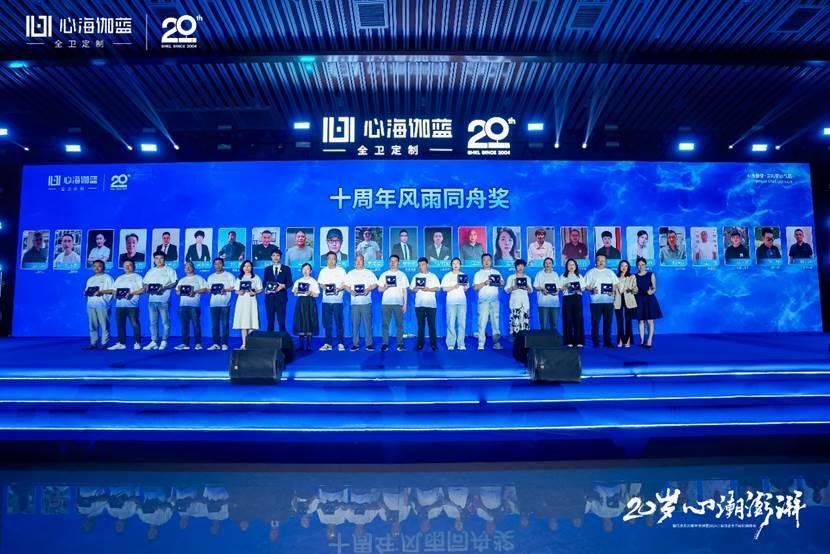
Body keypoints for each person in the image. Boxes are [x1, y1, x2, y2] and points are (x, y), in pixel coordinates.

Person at [142, 252, 178, 350]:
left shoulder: (170, 270)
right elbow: (145, 283)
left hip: (164, 300)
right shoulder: (151, 271)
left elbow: (175, 283)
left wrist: (164, 287)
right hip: (152, 300)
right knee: (152, 322)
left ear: (164, 259)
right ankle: (154, 341)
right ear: (154, 259)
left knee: (165, 322)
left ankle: (164, 341)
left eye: (161, 258)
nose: (159, 260)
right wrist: (146, 287)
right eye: (156, 258)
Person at [107, 260, 145, 350]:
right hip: (119, 305)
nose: (127, 267)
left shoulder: (138, 277)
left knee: (135, 324)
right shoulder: (119, 278)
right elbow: (114, 290)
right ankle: (121, 343)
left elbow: (142, 290)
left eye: (129, 265)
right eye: (125, 265)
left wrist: (132, 293)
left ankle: (137, 342)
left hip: (132, 306)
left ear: (134, 266)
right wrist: (116, 294)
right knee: (120, 325)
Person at [585, 254, 619, 348]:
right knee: (595, 323)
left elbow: (615, 284)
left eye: (603, 260)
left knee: (608, 322)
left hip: (608, 301)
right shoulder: (591, 272)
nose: (601, 262)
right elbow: (585, 285)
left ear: (605, 262)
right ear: (596, 261)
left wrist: (613, 290)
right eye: (599, 260)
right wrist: (591, 289)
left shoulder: (610, 272)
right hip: (595, 301)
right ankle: (595, 341)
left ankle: (607, 342)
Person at [346, 254, 378, 351]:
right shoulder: (350, 273)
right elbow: (346, 286)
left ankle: (369, 344)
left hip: (366, 302)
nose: (358, 262)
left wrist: (368, 289)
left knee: (368, 324)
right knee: (355, 325)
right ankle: (355, 344)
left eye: (360, 260)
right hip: (355, 303)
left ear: (363, 261)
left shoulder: (369, 273)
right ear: (354, 262)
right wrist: (350, 291)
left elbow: (375, 284)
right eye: (357, 260)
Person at [377, 255, 409, 352]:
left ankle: (400, 344)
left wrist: (405, 305)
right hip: (386, 303)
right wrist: (385, 287)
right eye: (391, 261)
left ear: (398, 262)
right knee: (385, 324)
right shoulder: (384, 275)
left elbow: (405, 291)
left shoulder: (402, 275)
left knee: (399, 325)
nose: (393, 263)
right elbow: (379, 289)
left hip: (398, 303)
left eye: (395, 261)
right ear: (389, 262)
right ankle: (385, 343)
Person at [318, 251, 348, 351]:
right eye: (329, 258)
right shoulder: (323, 271)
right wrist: (325, 288)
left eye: (333, 259)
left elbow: (345, 284)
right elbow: (321, 284)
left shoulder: (341, 270)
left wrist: (339, 288)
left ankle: (341, 343)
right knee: (327, 323)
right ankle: (328, 343)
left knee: (339, 323)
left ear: (336, 260)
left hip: (337, 301)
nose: (331, 260)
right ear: (327, 260)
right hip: (326, 301)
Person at [174, 262, 208, 350]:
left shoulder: (199, 278)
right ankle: (184, 343)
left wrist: (195, 291)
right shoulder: (182, 280)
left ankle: (198, 343)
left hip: (194, 306)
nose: (188, 268)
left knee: (196, 325)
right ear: (184, 269)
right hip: (183, 306)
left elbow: (205, 289)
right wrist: (179, 292)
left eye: (190, 266)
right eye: (186, 267)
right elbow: (177, 292)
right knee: (184, 325)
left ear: (193, 268)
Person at [473, 253, 504, 350]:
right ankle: (481, 344)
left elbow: (502, 284)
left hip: (494, 301)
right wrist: (485, 283)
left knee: (495, 323)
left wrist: (500, 283)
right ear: (482, 262)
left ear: (491, 261)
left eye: (488, 260)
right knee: (482, 323)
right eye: (484, 260)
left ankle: (496, 343)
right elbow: (475, 287)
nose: (486, 262)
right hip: (483, 301)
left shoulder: (496, 272)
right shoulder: (478, 274)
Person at [410, 257, 440, 351]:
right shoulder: (416, 277)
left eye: (422, 265)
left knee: (432, 325)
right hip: (419, 305)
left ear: (427, 265)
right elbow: (412, 290)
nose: (421, 267)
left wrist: (428, 289)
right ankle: (420, 344)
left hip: (431, 305)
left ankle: (433, 344)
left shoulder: (433, 276)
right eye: (419, 265)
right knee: (421, 326)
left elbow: (438, 288)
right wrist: (416, 288)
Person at [83, 260, 114, 349]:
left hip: (103, 305)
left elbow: (113, 290)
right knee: (92, 325)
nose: (96, 268)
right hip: (90, 305)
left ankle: (104, 343)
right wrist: (85, 293)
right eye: (94, 266)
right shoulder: (90, 279)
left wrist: (101, 292)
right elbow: (87, 290)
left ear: (103, 267)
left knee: (104, 325)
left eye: (99, 266)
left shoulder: (108, 278)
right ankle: (93, 343)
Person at [206, 257, 236, 351]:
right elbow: (208, 289)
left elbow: (234, 287)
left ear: (223, 264)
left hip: (225, 304)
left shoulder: (229, 275)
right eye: (216, 264)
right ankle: (216, 343)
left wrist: (225, 290)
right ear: (213, 265)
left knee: (225, 324)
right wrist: (212, 290)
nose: (217, 265)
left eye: (219, 263)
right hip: (213, 304)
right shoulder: (211, 277)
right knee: (215, 325)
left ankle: (224, 343)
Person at [232, 260, 263, 349]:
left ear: (251, 267)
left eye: (249, 266)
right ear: (242, 268)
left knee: (252, 321)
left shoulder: (256, 277)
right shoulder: (239, 278)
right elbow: (236, 290)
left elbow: (260, 289)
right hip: (242, 301)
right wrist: (239, 292)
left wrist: (255, 292)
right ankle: (244, 343)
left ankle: (251, 342)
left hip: (251, 300)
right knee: (243, 322)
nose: (247, 268)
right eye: (245, 266)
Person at [634, 257, 662, 347]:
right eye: (639, 265)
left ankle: (649, 340)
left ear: (645, 265)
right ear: (637, 266)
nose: (641, 266)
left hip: (649, 299)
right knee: (641, 321)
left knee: (650, 321)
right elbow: (634, 288)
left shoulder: (651, 274)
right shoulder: (634, 276)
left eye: (642, 264)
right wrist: (633, 290)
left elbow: (654, 287)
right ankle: (642, 340)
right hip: (639, 299)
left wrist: (651, 291)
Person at [441, 257, 469, 350]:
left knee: (462, 323)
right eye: (454, 263)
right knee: (451, 323)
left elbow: (466, 289)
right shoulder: (447, 276)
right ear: (451, 265)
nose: (456, 265)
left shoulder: (463, 275)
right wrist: (454, 286)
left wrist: (465, 286)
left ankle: (461, 343)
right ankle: (451, 343)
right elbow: (444, 289)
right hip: (451, 302)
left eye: (457, 263)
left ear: (460, 265)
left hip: (462, 302)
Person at [292, 263, 320, 351]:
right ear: (301, 270)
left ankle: (309, 345)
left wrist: (310, 293)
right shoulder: (298, 281)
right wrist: (296, 291)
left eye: (307, 269)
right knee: (300, 321)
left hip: (310, 302)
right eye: (304, 269)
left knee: (309, 321)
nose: (305, 271)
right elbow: (295, 294)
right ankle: (301, 345)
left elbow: (317, 294)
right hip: (301, 302)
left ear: (310, 271)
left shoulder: (313, 281)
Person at [263, 248, 293, 333]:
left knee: (281, 320)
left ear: (280, 257)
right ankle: (269, 338)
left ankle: (282, 339)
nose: (275, 257)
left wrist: (283, 286)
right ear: (271, 257)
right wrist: (266, 289)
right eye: (274, 255)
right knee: (270, 320)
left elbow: (290, 282)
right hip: (269, 298)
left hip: (281, 298)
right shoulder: (267, 269)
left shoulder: (286, 268)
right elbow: (264, 282)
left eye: (277, 255)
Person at [560, 258, 586, 348]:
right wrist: (566, 285)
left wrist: (578, 288)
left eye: (573, 265)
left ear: (576, 266)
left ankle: (579, 341)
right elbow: (560, 288)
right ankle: (568, 341)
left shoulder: (580, 276)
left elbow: (583, 288)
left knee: (578, 319)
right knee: (568, 319)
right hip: (567, 298)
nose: (571, 266)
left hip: (577, 298)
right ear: (566, 266)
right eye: (569, 264)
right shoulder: (563, 276)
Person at [613, 260, 637, 348]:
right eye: (622, 266)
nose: (624, 267)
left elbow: (636, 289)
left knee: (628, 321)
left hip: (629, 300)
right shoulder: (615, 277)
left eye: (626, 266)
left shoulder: (632, 277)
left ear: (628, 267)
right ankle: (620, 339)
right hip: (618, 300)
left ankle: (628, 340)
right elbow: (613, 290)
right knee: (619, 321)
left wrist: (631, 290)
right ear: (619, 267)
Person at [505, 259, 531, 337]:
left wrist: (526, 286)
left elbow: (531, 291)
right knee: (515, 322)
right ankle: (514, 338)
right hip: (515, 303)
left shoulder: (527, 278)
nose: (520, 268)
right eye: (518, 266)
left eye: (522, 266)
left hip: (525, 304)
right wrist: (514, 287)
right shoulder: (511, 278)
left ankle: (525, 340)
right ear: (515, 267)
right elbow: (506, 290)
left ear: (524, 267)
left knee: (525, 322)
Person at [533, 257, 561, 332]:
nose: (547, 265)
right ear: (543, 264)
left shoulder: (555, 274)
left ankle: (554, 338)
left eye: (549, 263)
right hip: (543, 302)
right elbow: (535, 286)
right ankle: (543, 338)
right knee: (543, 324)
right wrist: (542, 289)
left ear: (552, 265)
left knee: (554, 324)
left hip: (554, 302)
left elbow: (558, 287)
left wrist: (556, 292)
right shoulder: (539, 274)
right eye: (546, 263)